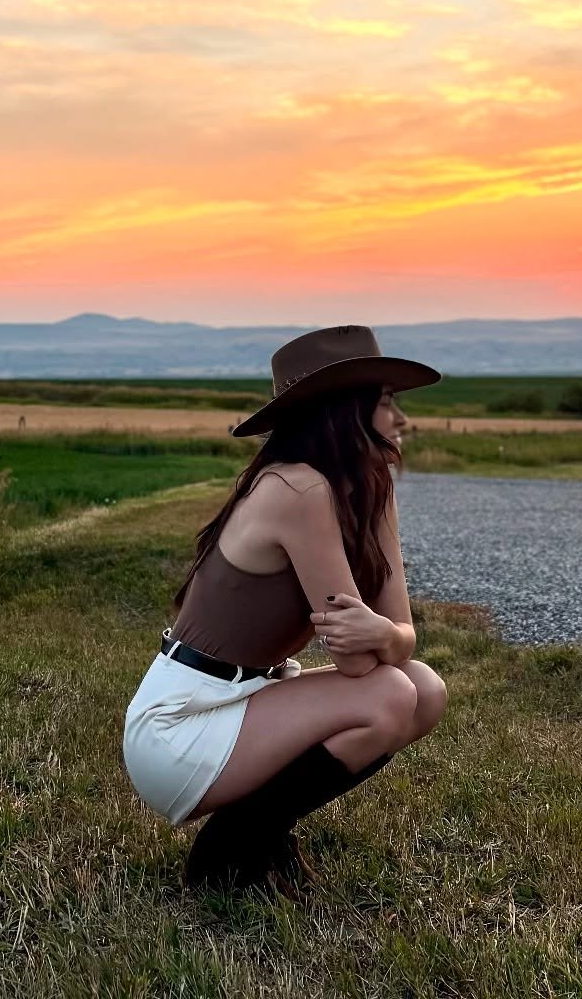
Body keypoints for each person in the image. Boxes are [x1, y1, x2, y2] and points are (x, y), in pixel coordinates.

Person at [121, 324, 449, 897]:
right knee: (391, 694)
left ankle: (263, 833)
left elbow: (401, 635)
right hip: (182, 725)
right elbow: (357, 666)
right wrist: (385, 638)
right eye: (388, 401)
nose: (400, 419)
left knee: (425, 688)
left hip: (245, 700)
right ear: (346, 408)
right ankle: (229, 851)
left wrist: (386, 636)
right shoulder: (297, 492)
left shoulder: (370, 490)